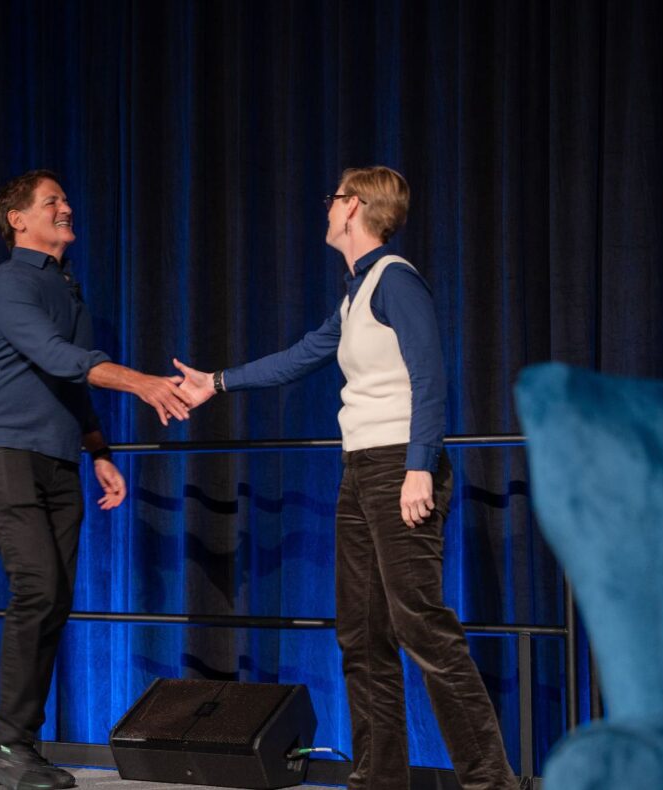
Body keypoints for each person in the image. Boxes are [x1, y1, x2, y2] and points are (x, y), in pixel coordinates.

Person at [174, 166, 515, 790]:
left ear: (353, 206)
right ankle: (378, 777)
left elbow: (429, 377)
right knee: (360, 634)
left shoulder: (395, 279)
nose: (326, 208)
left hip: (397, 466)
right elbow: (303, 355)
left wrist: (419, 466)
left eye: (333, 198)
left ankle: (490, 780)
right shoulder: (355, 292)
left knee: (422, 626)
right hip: (360, 468)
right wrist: (216, 383)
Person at [0, 169, 193, 790]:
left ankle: (23, 744)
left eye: (65, 198)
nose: (66, 207)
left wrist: (99, 452)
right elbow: (60, 358)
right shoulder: (9, 282)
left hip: (60, 457)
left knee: (57, 595)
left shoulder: (69, 290)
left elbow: (70, 384)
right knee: (37, 584)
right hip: (1, 449)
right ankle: (8, 749)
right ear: (18, 220)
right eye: (51, 201)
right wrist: (143, 382)